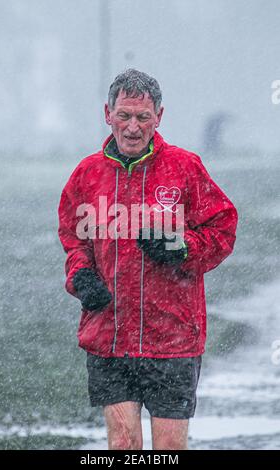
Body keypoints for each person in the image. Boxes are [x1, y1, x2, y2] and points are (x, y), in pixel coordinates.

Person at [58, 69, 238, 450]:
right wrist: (81, 276)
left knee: (169, 450)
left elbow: (223, 230)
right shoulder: (86, 175)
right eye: (124, 115)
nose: (133, 127)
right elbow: (74, 240)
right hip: (109, 335)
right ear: (107, 114)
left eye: (143, 117)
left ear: (159, 116)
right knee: (123, 444)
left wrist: (183, 247)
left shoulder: (185, 167)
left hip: (173, 337)